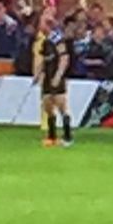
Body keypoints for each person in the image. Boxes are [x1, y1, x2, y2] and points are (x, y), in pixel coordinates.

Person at [32, 10, 73, 148]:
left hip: (56, 76)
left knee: (61, 105)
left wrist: (58, 75)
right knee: (47, 104)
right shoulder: (45, 41)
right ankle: (52, 136)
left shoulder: (57, 39)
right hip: (47, 76)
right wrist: (38, 75)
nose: (39, 28)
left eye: (41, 24)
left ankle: (68, 137)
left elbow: (64, 58)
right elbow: (44, 60)